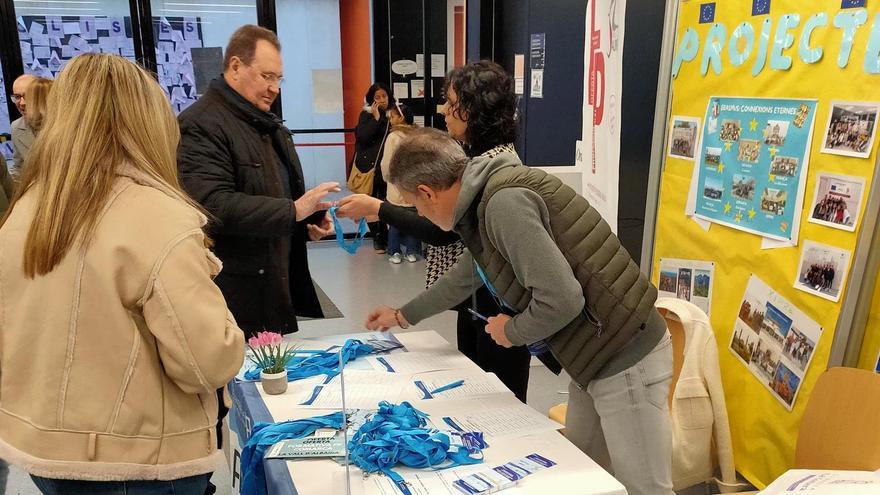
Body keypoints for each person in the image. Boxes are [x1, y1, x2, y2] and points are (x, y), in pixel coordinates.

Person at [366, 127, 674, 495]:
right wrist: (402, 315)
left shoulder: (502, 204)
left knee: (646, 489)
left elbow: (562, 299)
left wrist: (510, 331)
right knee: (584, 475)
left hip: (624, 358)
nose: (419, 214)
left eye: (415, 206)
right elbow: (464, 277)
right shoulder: (481, 206)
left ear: (427, 193)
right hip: (592, 358)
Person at [0, 53, 245, 495]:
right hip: (139, 461)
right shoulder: (159, 218)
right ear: (149, 120)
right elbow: (205, 362)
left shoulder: (27, 210)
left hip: (44, 449)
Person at [337, 61, 532, 402]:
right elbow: (468, 266)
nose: (443, 109)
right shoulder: (475, 161)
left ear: (473, 108)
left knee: (501, 405)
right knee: (474, 395)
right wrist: (402, 315)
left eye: (450, 101)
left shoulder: (495, 178)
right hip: (478, 305)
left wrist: (378, 208)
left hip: (500, 311)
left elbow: (445, 232)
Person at [178, 24, 338, 337]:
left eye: (278, 79)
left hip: (272, 284)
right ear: (235, 66)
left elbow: (275, 191)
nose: (275, 87)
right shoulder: (200, 124)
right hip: (233, 294)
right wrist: (293, 211)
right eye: (267, 76)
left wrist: (307, 222)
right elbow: (211, 205)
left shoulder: (265, 123)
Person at [353, 83, 394, 253]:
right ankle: (378, 238)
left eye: (384, 96)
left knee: (386, 202)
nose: (382, 100)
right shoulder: (367, 114)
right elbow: (362, 137)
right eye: (377, 97)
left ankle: (390, 238)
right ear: (372, 99)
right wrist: (376, 119)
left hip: (387, 167)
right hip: (368, 168)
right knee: (369, 203)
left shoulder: (395, 114)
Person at [382, 103, 421, 264]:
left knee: (395, 220)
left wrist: (387, 178)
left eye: (392, 116)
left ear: (401, 118)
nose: (390, 120)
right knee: (412, 219)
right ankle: (411, 251)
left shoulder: (393, 137)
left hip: (396, 183)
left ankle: (394, 251)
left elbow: (387, 163)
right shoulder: (417, 135)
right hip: (413, 184)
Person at [10, 74, 36, 181]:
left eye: (28, 95)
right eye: (17, 97)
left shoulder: (62, 123)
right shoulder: (16, 127)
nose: (22, 103)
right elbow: (19, 168)